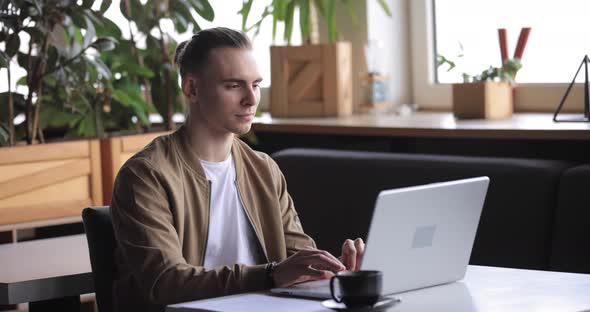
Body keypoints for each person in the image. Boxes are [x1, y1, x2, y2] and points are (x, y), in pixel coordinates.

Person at [110, 27, 365, 312]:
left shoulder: (264, 169)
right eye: (234, 85)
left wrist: (339, 270)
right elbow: (165, 281)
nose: (252, 99)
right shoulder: (146, 176)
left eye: (255, 84)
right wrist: (269, 274)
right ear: (192, 89)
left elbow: (297, 261)